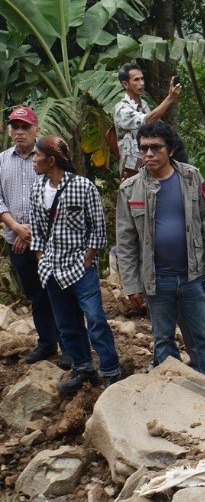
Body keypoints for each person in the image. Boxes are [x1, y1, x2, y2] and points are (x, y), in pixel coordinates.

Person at [115, 121, 205, 383]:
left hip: (192, 276)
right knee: (163, 340)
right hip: (156, 280)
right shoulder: (130, 189)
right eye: (144, 149)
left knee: (204, 336)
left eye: (156, 148)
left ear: (171, 149)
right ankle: (173, 393)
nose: (149, 154)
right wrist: (131, 284)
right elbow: (127, 241)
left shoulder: (191, 177)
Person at [29, 136, 121, 393]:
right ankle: (83, 367)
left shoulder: (83, 186)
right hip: (51, 268)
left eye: (37, 155)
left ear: (51, 160)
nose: (34, 160)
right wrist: (41, 259)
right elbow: (36, 229)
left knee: (95, 319)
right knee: (66, 323)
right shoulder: (37, 189)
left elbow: (98, 227)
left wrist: (87, 259)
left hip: (80, 267)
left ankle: (111, 371)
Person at [0, 107, 67, 368]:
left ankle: (70, 345)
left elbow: (61, 193)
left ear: (36, 129)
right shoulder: (2, 160)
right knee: (36, 295)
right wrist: (16, 227)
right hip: (15, 240)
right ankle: (47, 343)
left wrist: (31, 232)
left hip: (49, 239)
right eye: (15, 127)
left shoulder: (49, 158)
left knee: (58, 291)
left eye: (24, 127)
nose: (19, 132)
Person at [113, 62, 181, 180]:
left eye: (142, 79)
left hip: (150, 163)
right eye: (136, 80)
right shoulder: (121, 108)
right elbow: (147, 120)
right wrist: (170, 98)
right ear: (125, 84)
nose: (142, 83)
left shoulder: (144, 105)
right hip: (132, 167)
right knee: (135, 197)